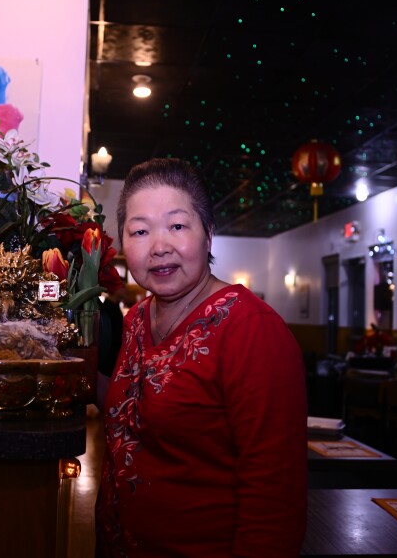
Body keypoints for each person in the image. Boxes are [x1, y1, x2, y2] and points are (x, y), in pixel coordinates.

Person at [96, 158, 308, 556]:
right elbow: (134, 412)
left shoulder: (251, 329)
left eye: (177, 226)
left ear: (209, 234)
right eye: (140, 231)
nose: (160, 246)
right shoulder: (138, 318)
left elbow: (275, 497)